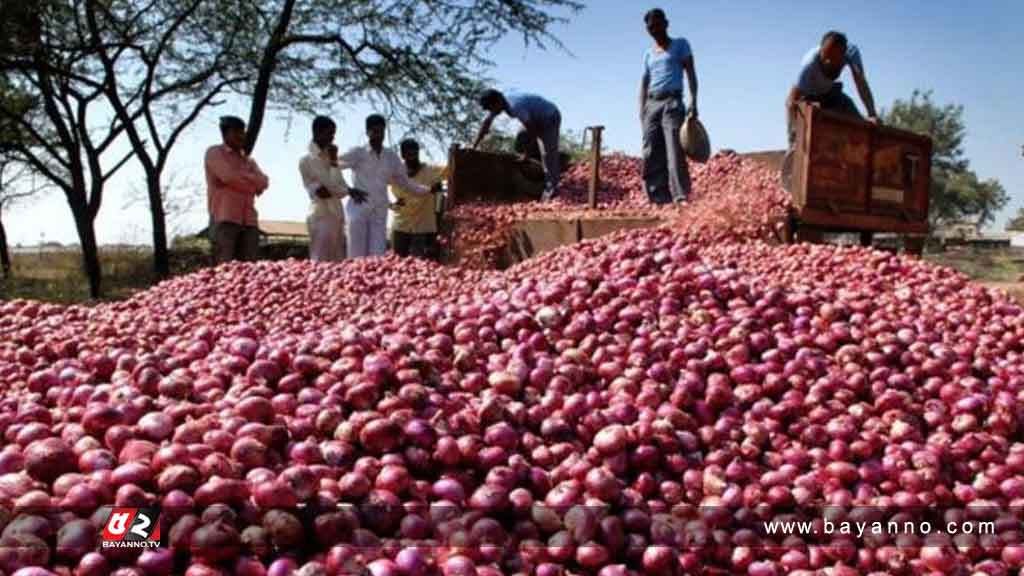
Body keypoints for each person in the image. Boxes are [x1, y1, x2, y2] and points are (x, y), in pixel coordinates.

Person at [338, 114, 441, 258]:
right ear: (367, 132)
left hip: (379, 211)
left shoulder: (391, 157)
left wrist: (428, 190)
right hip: (359, 208)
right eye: (375, 131)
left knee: (377, 256)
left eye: (381, 131)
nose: (379, 135)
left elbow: (406, 183)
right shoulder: (358, 152)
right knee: (356, 255)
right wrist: (348, 190)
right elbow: (333, 165)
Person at [639, 8, 698, 205]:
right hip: (652, 103)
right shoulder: (648, 54)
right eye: (650, 27)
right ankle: (658, 197)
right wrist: (642, 110)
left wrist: (694, 101)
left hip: (672, 101)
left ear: (666, 23)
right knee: (651, 151)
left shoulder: (680, 45)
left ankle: (681, 195)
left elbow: (690, 72)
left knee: (674, 149)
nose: (654, 29)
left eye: (657, 24)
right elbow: (644, 83)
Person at [786, 30, 879, 146]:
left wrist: (872, 114)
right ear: (821, 50)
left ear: (843, 56)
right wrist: (794, 136)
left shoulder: (851, 53)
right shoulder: (809, 64)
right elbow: (791, 101)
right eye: (825, 58)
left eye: (833, 60)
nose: (827, 62)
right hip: (808, 98)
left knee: (859, 122)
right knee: (811, 115)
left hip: (830, 93)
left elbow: (861, 84)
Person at [299, 116, 368, 262]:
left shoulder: (330, 158)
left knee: (336, 262)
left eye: (333, 134)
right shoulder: (307, 160)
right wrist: (349, 191)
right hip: (321, 214)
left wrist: (334, 161)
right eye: (329, 133)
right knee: (320, 260)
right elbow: (329, 188)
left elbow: (339, 185)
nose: (332, 138)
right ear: (317, 132)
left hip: (336, 213)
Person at [472, 89, 562, 201]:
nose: (491, 112)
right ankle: (535, 163)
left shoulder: (515, 106)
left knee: (548, 155)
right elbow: (486, 124)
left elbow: (532, 130)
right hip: (533, 117)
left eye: (491, 108)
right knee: (522, 137)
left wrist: (527, 153)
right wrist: (474, 146)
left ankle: (552, 191)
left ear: (498, 102)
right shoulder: (499, 101)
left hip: (549, 117)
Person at [204, 116, 269, 263]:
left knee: (249, 269)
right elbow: (228, 176)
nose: (241, 136)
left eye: (242, 131)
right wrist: (252, 183)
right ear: (225, 134)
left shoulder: (248, 160)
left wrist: (239, 180)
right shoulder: (214, 153)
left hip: (249, 221)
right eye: (236, 132)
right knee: (223, 267)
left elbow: (264, 182)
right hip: (225, 218)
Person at [389, 139, 447, 260]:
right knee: (397, 263)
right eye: (409, 154)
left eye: (415, 153)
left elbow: (451, 167)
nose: (413, 158)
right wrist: (391, 205)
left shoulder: (431, 171)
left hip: (423, 227)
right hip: (401, 226)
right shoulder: (395, 174)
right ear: (403, 155)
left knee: (421, 265)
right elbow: (375, 188)